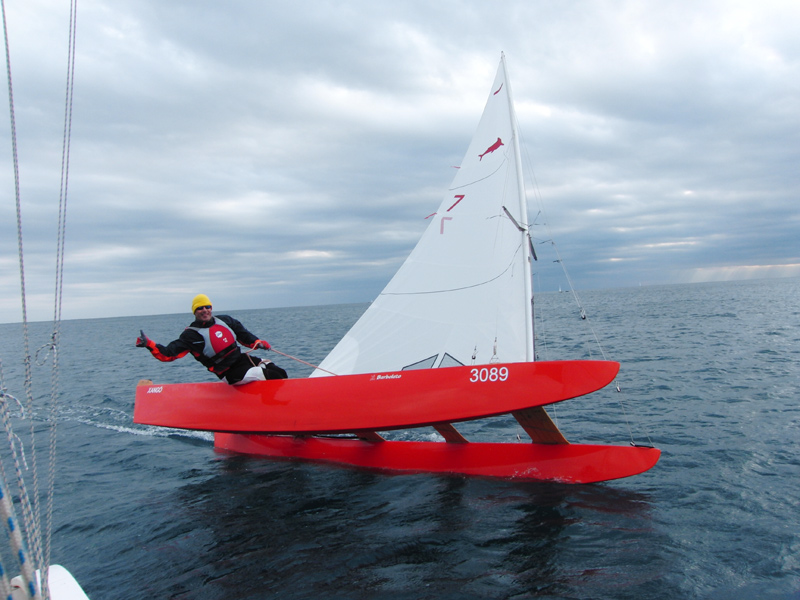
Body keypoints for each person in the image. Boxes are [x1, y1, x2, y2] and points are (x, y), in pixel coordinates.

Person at [136, 294, 288, 385]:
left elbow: (244, 335)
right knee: (271, 377)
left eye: (207, 306)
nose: (205, 310)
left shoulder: (225, 320)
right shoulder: (190, 336)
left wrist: (258, 342)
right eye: (200, 308)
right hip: (230, 373)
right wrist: (149, 344)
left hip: (243, 360)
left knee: (279, 371)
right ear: (195, 312)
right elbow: (168, 354)